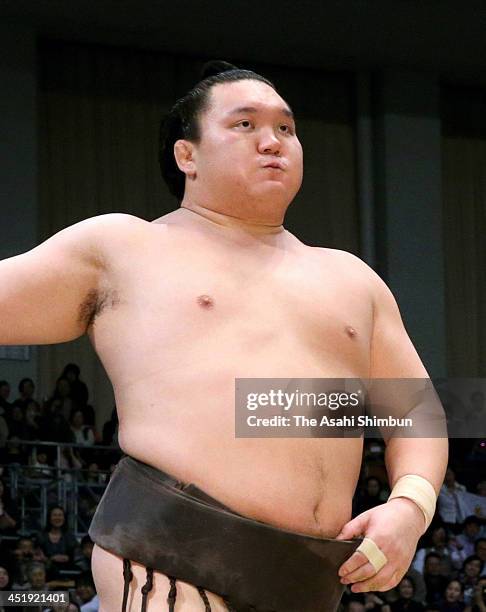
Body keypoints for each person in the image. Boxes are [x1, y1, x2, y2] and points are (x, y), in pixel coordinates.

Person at [0, 60, 448, 611]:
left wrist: (411, 506)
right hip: (171, 556)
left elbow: (416, 414)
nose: (272, 142)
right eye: (245, 125)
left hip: (311, 582)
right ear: (186, 155)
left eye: (285, 128)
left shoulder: (352, 280)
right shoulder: (124, 249)